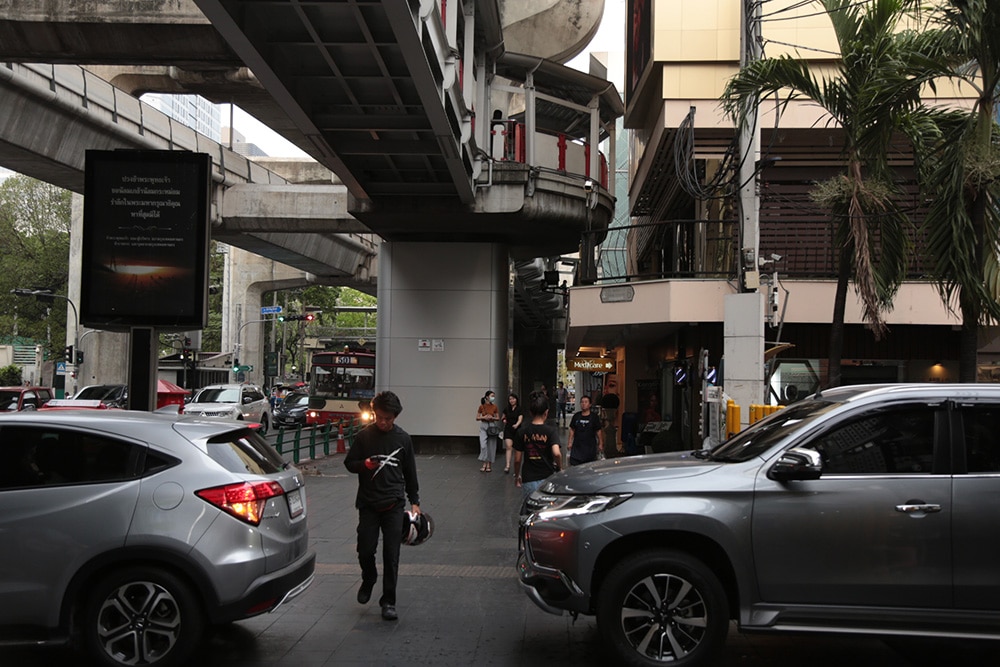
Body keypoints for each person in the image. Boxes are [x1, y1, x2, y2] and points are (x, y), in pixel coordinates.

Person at [344, 391, 420, 622]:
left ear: (395, 417)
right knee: (365, 550)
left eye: (388, 418)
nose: (383, 422)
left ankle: (389, 601)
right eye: (379, 417)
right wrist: (364, 465)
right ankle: (369, 578)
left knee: (391, 554)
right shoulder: (364, 436)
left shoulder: (403, 439)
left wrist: (415, 501)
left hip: (394, 504)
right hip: (368, 504)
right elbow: (350, 463)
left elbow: (410, 472)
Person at [513, 393, 561, 496]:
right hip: (547, 476)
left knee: (530, 504)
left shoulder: (522, 431)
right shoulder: (551, 431)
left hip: (529, 477)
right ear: (546, 412)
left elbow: (517, 459)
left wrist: (517, 475)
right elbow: (556, 453)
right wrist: (560, 468)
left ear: (530, 412)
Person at [567, 394, 604, 465]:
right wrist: (569, 442)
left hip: (590, 447)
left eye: (586, 402)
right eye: (582, 402)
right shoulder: (576, 416)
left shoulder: (594, 417)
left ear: (590, 404)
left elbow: (598, 430)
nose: (583, 404)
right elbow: (572, 429)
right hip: (577, 446)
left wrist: (601, 443)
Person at [476, 390, 500, 473]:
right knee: (483, 445)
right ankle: (484, 462)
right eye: (492, 396)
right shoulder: (481, 406)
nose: (493, 397)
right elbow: (477, 417)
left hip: (492, 426)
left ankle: (489, 464)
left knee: (491, 446)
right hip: (483, 425)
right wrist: (484, 417)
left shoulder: (495, 407)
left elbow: (498, 417)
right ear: (487, 397)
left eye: (494, 396)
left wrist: (492, 418)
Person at [501, 392, 523, 474]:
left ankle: (516, 467)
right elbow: (503, 417)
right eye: (510, 399)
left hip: (517, 430)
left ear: (516, 399)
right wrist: (504, 420)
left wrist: (517, 425)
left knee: (517, 449)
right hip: (508, 429)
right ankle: (507, 465)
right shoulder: (507, 409)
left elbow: (520, 418)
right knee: (509, 446)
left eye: (513, 399)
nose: (512, 400)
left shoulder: (519, 409)